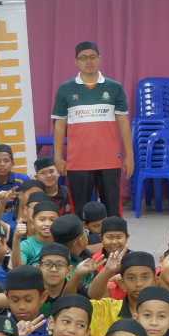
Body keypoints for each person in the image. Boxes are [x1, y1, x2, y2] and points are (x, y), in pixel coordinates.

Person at [51, 41, 132, 218]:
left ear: (99, 59)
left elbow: (124, 122)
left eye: (92, 57)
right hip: (78, 162)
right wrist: (57, 156)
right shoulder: (65, 89)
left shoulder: (114, 87)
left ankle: (113, 237)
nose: (88, 61)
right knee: (80, 213)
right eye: (83, 58)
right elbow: (59, 125)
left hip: (109, 161)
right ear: (76, 62)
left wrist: (129, 155)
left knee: (112, 213)